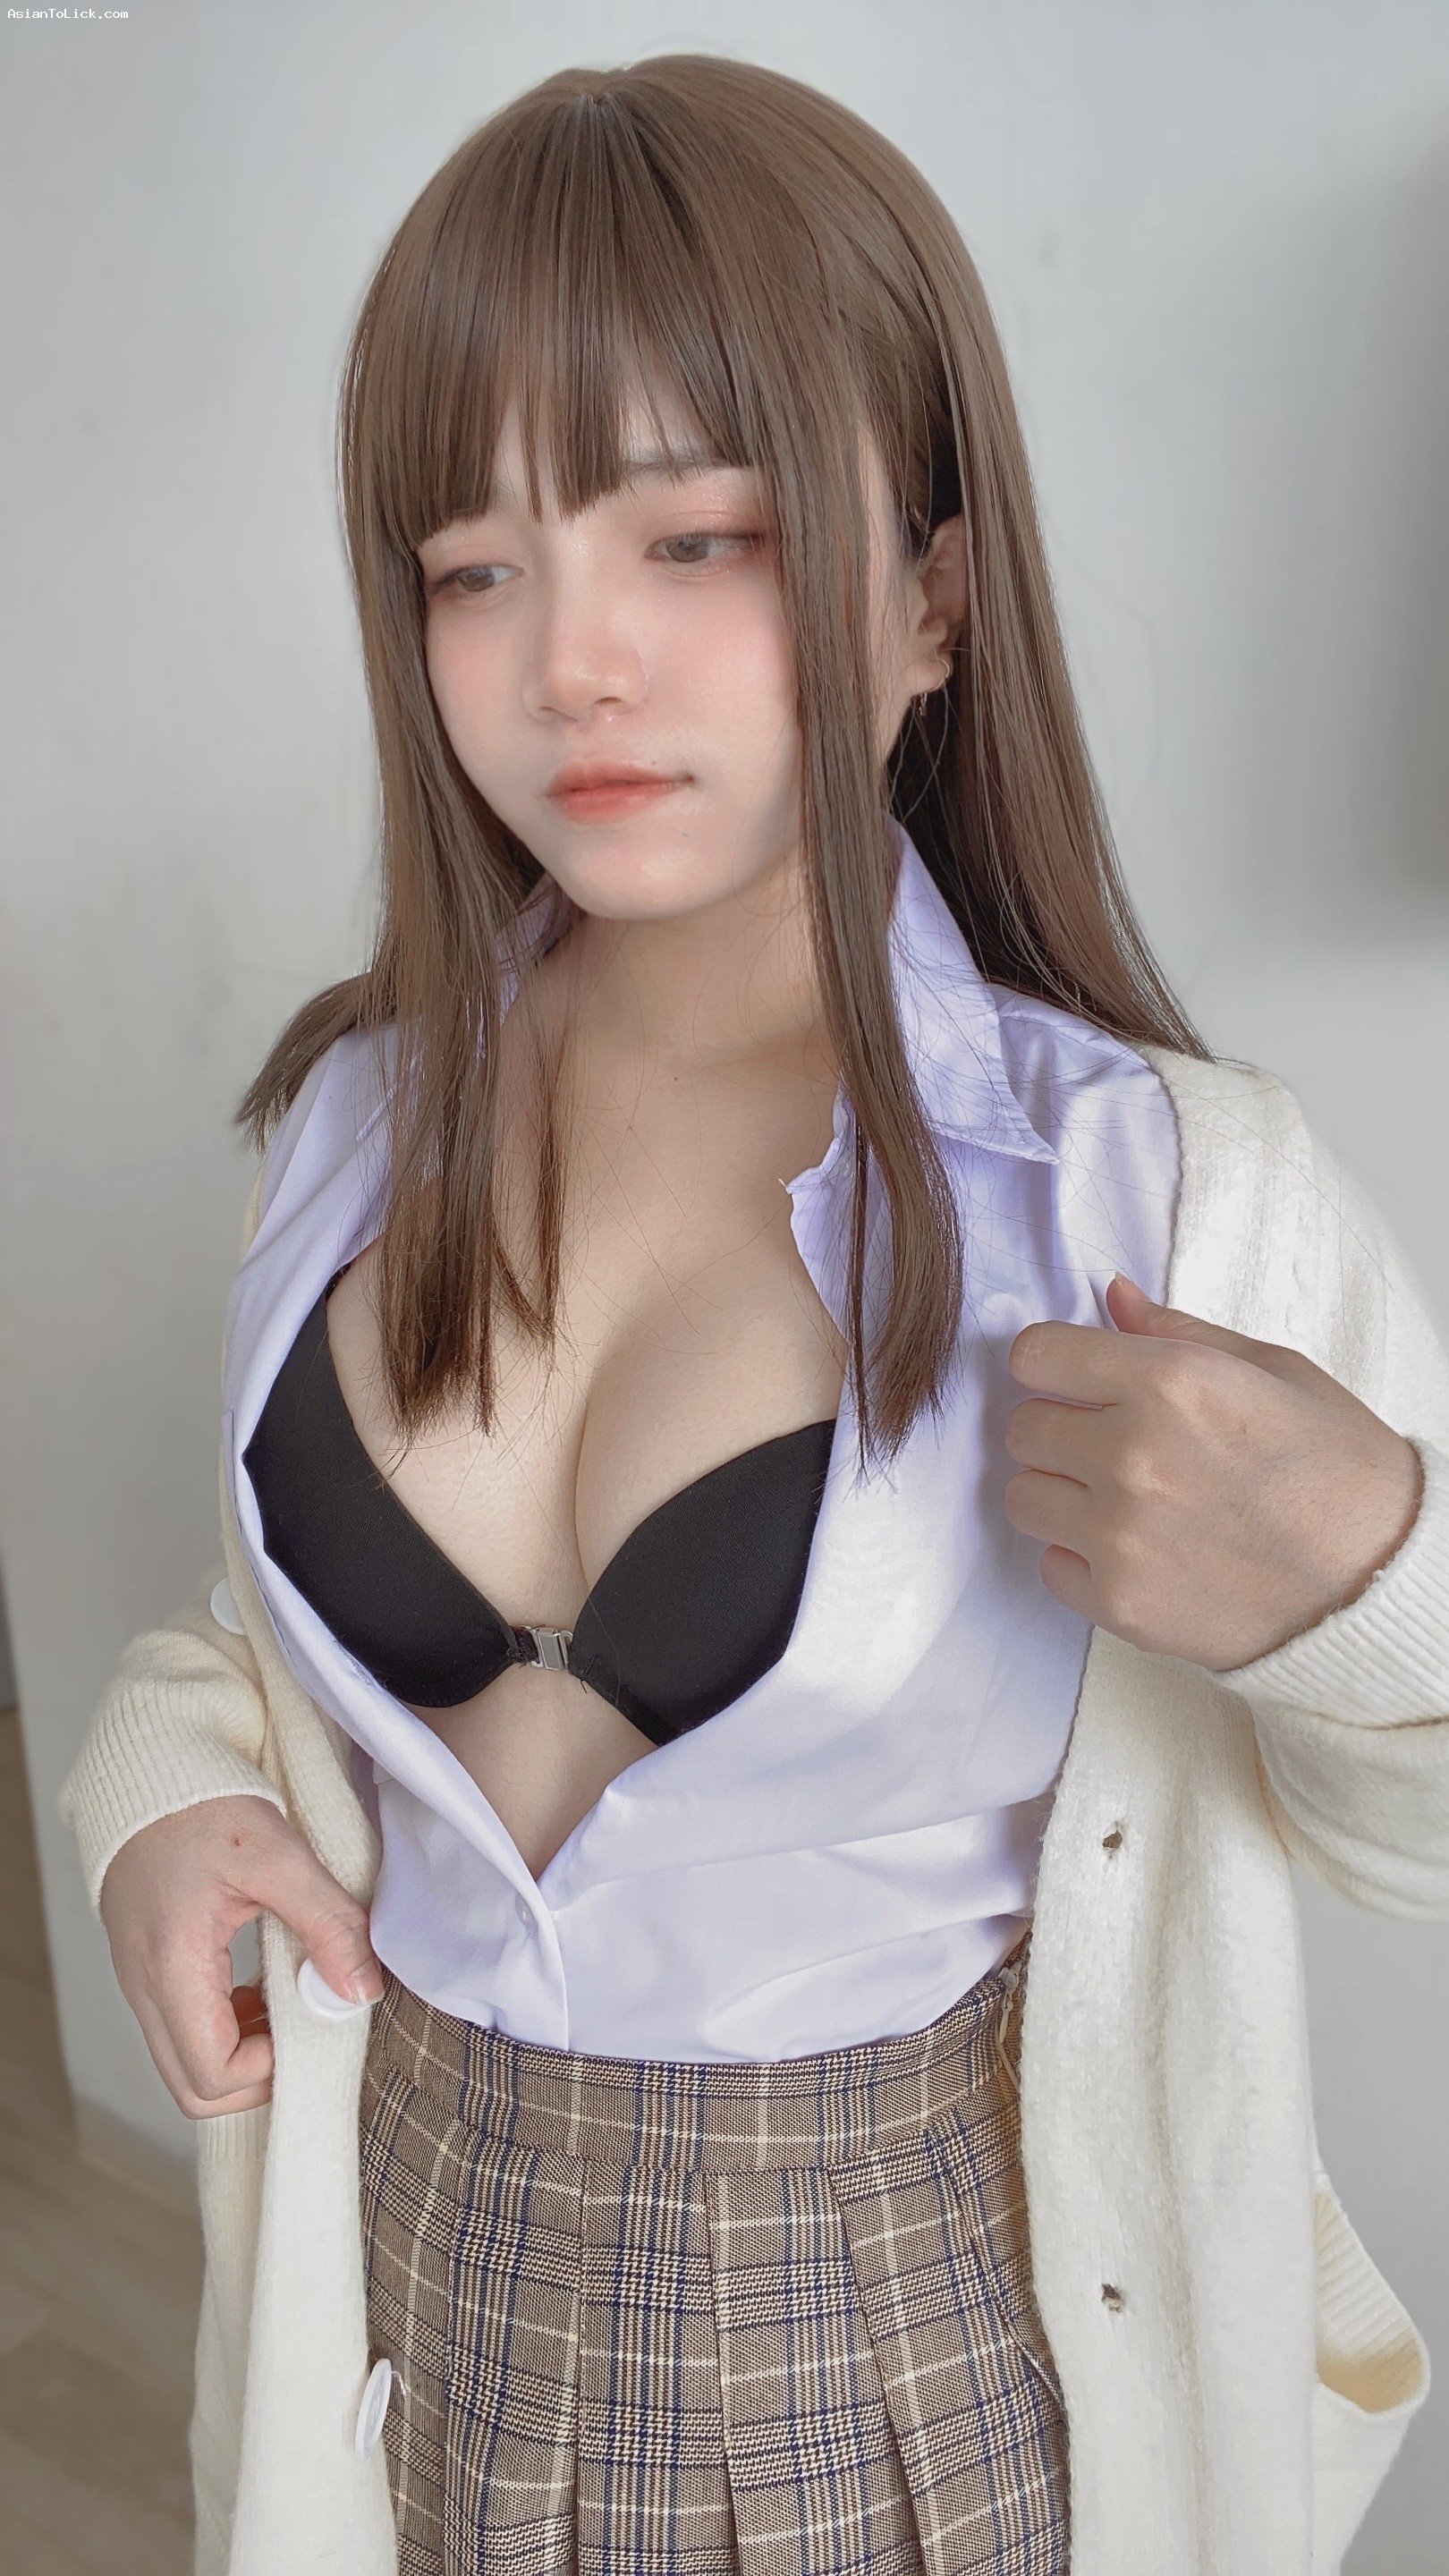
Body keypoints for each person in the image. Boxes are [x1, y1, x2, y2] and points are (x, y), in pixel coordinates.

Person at [61, 52, 1448, 2576]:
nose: (573, 662)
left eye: (693, 537)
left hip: (901, 2389)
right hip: (413, 2324)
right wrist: (159, 1789)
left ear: (930, 595)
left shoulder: (1148, 1193)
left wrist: (1369, 1575)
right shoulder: (364, 1112)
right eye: (472, 568)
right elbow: (263, 1641)